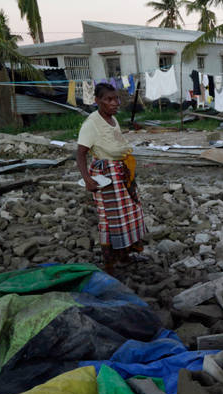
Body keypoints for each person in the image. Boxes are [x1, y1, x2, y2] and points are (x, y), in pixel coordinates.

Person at [77, 83, 146, 275]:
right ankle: (110, 262)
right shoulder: (91, 124)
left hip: (121, 170)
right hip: (106, 174)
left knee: (130, 212)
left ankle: (125, 254)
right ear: (98, 101)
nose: (115, 103)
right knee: (110, 218)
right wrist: (88, 179)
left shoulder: (112, 119)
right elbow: (80, 153)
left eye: (116, 99)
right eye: (109, 99)